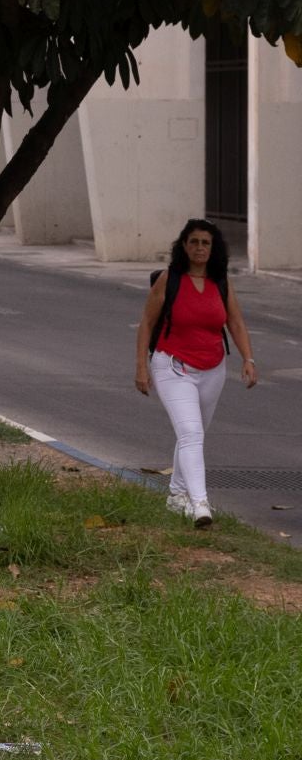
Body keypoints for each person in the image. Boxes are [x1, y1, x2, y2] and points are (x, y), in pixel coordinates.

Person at [136, 219, 258, 528]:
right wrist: (141, 367)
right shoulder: (169, 279)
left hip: (213, 368)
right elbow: (147, 323)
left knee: (193, 433)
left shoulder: (221, 282)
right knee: (191, 434)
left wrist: (248, 359)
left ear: (213, 248)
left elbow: (236, 323)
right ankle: (200, 503)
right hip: (172, 365)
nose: (200, 248)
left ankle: (176, 494)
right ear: (184, 246)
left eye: (206, 243)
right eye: (194, 242)